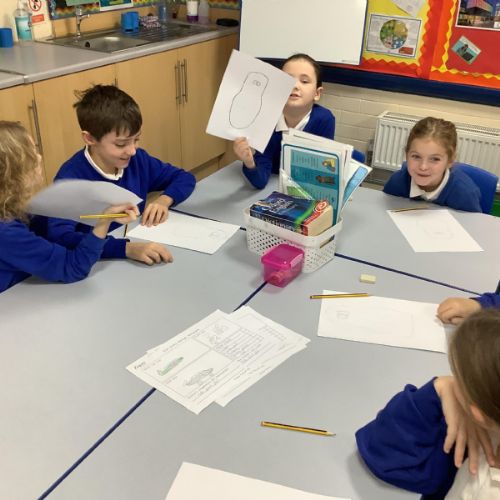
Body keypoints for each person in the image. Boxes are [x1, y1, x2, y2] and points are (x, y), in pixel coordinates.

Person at [356, 309, 500, 499]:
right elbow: (381, 447)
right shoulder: (484, 424)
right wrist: (439, 390)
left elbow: (385, 456)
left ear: (478, 413)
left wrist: (440, 389)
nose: (451, 379)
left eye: (456, 377)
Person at [48, 84, 196, 265]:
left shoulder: (137, 160)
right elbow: (61, 237)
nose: (132, 150)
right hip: (96, 264)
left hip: (136, 250)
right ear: (90, 138)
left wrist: (164, 200)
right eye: (121, 144)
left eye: (136, 139)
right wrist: (125, 249)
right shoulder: (70, 180)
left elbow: (184, 177)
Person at [0, 121, 138, 293]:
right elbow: (72, 267)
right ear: (11, 172)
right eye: (31, 154)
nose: (39, 158)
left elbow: (52, 236)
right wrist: (104, 222)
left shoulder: (12, 206)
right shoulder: (6, 232)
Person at [233, 53, 335, 189]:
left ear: (317, 93)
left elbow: (320, 174)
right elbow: (260, 181)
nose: (295, 85)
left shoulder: (324, 119)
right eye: (288, 80)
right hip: (274, 189)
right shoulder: (266, 119)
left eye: (304, 81)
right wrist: (249, 162)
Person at [383, 117, 482, 212]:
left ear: (450, 161)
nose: (423, 167)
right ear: (407, 155)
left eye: (435, 159)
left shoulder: (465, 194)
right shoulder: (397, 182)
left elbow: (472, 223)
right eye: (416, 156)